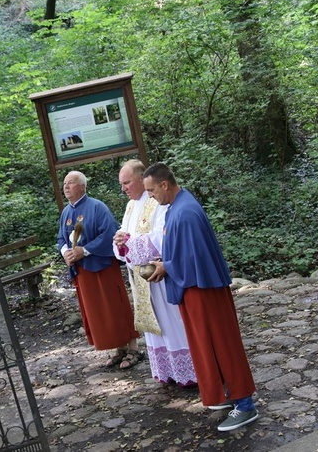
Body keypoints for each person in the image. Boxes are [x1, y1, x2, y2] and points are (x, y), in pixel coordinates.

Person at [143, 162, 258, 432]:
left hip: (204, 290)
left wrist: (165, 267)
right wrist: (165, 260)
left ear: (164, 185)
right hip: (194, 288)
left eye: (151, 190)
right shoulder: (176, 206)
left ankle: (245, 404)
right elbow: (183, 249)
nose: (150, 196)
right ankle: (227, 393)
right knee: (209, 345)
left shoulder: (186, 213)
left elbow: (196, 257)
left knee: (222, 344)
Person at [112, 160, 197, 384]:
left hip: (159, 276)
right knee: (155, 329)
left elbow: (163, 237)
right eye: (122, 184)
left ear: (141, 179)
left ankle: (189, 373)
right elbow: (124, 233)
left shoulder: (157, 201)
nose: (124, 188)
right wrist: (120, 241)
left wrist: (130, 242)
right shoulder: (130, 206)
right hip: (140, 279)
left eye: (127, 182)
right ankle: (167, 371)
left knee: (171, 323)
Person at [57, 170, 141, 369]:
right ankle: (118, 348)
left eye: (71, 183)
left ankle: (133, 348)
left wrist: (84, 251)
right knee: (99, 312)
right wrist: (66, 253)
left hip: (102, 267)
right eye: (65, 184)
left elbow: (110, 234)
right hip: (83, 272)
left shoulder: (97, 207)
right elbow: (61, 238)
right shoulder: (66, 212)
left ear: (82, 187)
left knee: (115, 306)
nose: (66, 187)